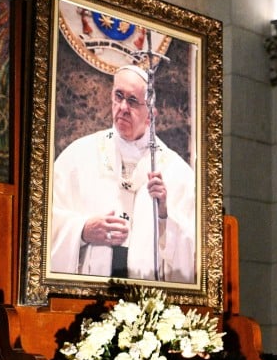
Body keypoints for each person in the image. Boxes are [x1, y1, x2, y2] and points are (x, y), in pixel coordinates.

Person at [49, 64, 196, 282]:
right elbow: (44, 224)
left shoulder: (176, 172)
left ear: (152, 114)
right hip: (87, 295)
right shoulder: (78, 156)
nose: (123, 107)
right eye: (119, 96)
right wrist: (82, 230)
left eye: (133, 101)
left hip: (147, 301)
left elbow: (195, 251)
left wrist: (164, 214)